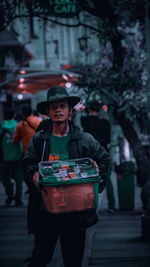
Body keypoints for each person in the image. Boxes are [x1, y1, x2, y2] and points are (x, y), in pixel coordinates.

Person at [22, 86, 111, 267]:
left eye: (62, 106)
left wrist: (96, 177)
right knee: (40, 258)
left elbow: (105, 160)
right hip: (47, 211)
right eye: (54, 107)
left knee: (73, 260)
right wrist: (34, 175)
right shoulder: (40, 140)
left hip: (75, 212)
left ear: (70, 111)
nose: (58, 110)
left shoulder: (85, 139)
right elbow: (28, 163)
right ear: (48, 112)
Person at [81, 101, 116, 213]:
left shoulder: (84, 121)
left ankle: (89, 205)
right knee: (107, 179)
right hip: (103, 152)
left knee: (88, 180)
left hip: (89, 154)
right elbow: (109, 140)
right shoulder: (105, 122)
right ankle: (112, 205)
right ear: (100, 109)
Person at [0, 108, 23, 206]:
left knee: (5, 178)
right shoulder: (19, 125)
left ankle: (9, 196)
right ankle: (18, 200)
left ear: (5, 116)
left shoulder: (1, 126)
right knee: (19, 179)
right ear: (14, 115)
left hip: (4, 157)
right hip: (18, 156)